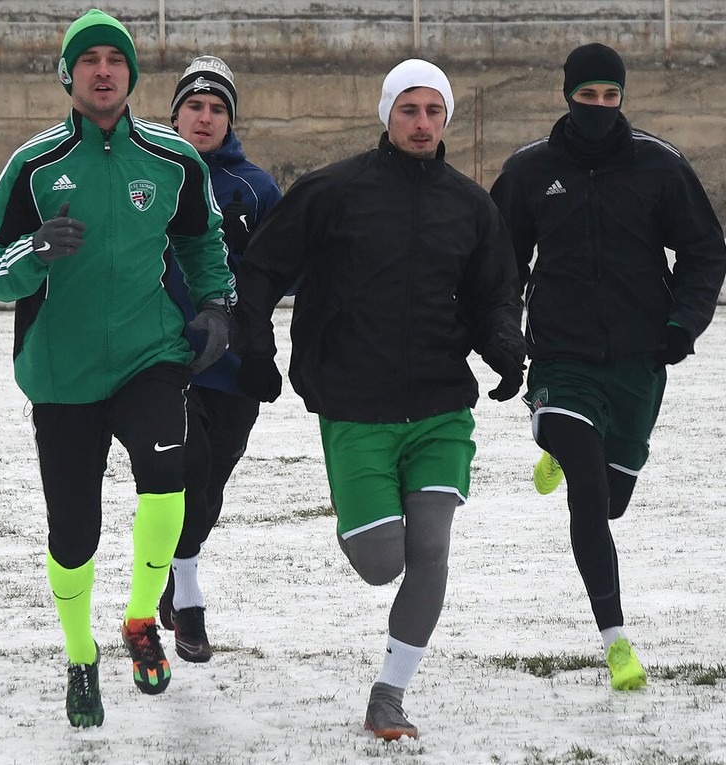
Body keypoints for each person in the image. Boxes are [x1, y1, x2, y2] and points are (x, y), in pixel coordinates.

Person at [232, 59, 525, 739]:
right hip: (355, 404)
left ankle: (389, 694)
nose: (422, 124)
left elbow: (494, 294)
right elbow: (265, 265)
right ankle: (359, 508)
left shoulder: (470, 205)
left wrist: (506, 347)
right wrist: (256, 344)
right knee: (379, 562)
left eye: (433, 112)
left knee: (430, 551)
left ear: (445, 119)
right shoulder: (333, 192)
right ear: (387, 114)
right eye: (409, 110)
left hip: (440, 409)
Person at [0, 9, 235, 728]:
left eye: (113, 60)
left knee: (168, 485)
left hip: (150, 355)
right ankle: (80, 653)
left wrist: (214, 305)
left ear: (132, 75)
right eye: (87, 60)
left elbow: (203, 242)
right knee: (73, 530)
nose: (102, 70)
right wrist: (32, 254)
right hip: (62, 373)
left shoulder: (174, 159)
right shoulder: (34, 164)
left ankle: (142, 617)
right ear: (68, 75)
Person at [489, 43, 726, 692]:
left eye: (609, 96)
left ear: (622, 98)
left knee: (612, 499)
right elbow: (498, 266)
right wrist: (505, 339)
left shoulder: (658, 166)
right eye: (586, 95)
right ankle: (616, 641)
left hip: (638, 361)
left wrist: (682, 325)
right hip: (561, 358)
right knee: (589, 502)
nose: (598, 107)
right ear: (567, 95)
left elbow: (706, 251)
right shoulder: (530, 171)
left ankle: (565, 450)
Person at [158, 54, 283, 663]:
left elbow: (279, 273)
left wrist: (259, 345)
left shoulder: (255, 187)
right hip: (162, 357)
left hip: (233, 366)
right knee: (190, 467)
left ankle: (174, 580)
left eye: (216, 109)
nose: (204, 118)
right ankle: (190, 603)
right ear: (175, 113)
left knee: (209, 490)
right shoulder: (147, 173)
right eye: (194, 106)